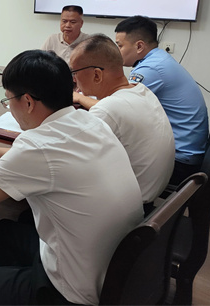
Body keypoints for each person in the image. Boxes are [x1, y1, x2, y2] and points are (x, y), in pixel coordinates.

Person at [0, 50, 143, 305]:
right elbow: (46, 158)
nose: (10, 107)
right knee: (6, 231)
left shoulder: (37, 148)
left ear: (28, 102)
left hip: (70, 293)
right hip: (113, 268)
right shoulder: (90, 121)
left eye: (9, 100)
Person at [70, 34, 175, 206]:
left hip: (128, 207)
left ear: (97, 75)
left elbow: (72, 163)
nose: (74, 79)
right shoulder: (141, 90)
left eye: (75, 72)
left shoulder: (107, 110)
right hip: (153, 197)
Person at [115, 15, 209, 185]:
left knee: (109, 159)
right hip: (187, 152)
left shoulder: (151, 68)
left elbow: (117, 107)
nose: (116, 52)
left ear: (139, 46)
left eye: (120, 46)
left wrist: (78, 97)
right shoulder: (159, 59)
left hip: (180, 161)